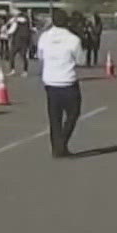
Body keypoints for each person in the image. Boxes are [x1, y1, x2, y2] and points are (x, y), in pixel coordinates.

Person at [37, 10, 85, 158]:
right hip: (68, 80)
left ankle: (57, 146)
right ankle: (61, 143)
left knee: (54, 117)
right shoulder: (73, 39)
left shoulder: (44, 37)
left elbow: (40, 56)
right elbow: (80, 60)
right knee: (73, 113)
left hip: (50, 80)